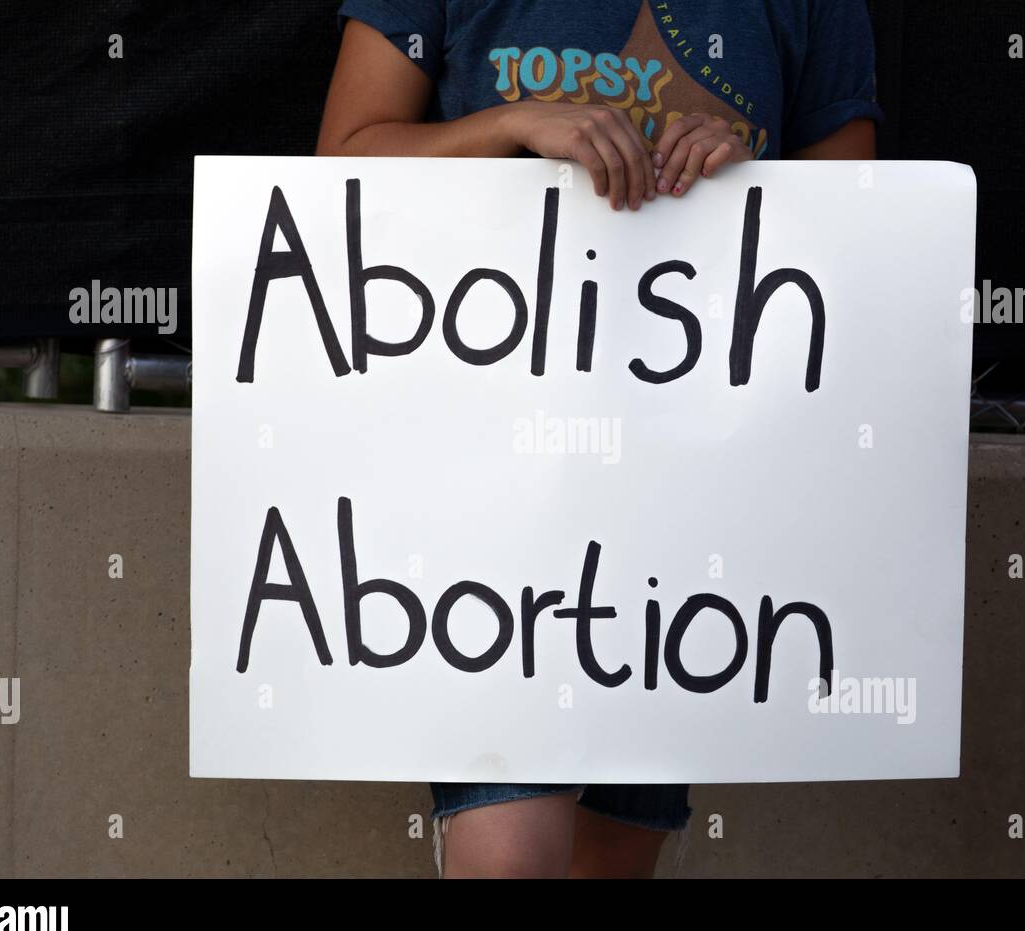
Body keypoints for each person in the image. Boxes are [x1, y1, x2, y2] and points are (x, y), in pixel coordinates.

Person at [316, 0, 882, 878]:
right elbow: (341, 162)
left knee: (610, 864)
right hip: (489, 482)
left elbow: (863, 218)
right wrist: (509, 127)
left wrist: (750, 178)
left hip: (686, 501)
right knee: (508, 854)